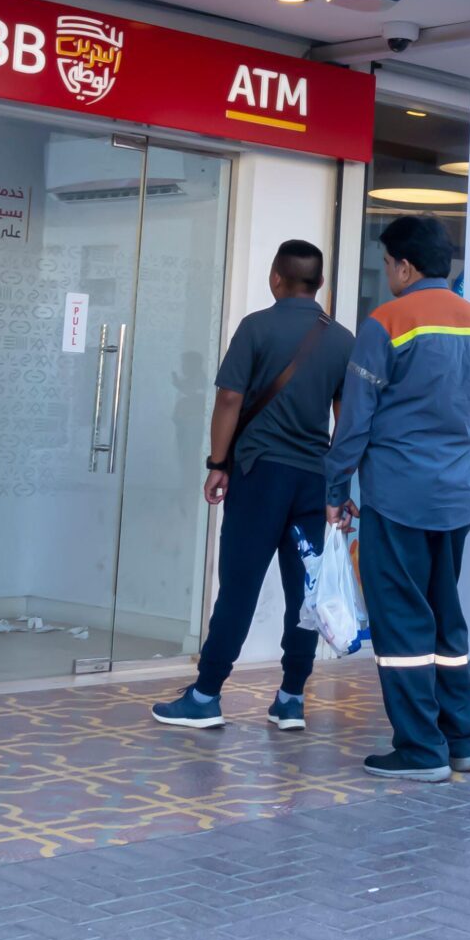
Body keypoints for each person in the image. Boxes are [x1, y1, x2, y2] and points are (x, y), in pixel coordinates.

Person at [324, 215, 470, 781]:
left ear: (404, 265)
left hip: (398, 498)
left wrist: (335, 487)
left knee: (401, 622)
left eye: (387, 264)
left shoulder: (387, 322)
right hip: (455, 500)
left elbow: (355, 421)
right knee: (446, 616)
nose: (388, 273)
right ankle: (462, 740)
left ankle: (421, 750)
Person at [153, 241, 356, 731]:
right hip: (313, 481)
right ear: (320, 285)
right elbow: (345, 418)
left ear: (275, 278)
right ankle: (290, 699)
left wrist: (217, 462)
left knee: (239, 588)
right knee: (303, 594)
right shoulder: (343, 339)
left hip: (259, 474)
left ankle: (205, 695)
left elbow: (228, 401)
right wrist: (339, 485)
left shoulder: (256, 327)